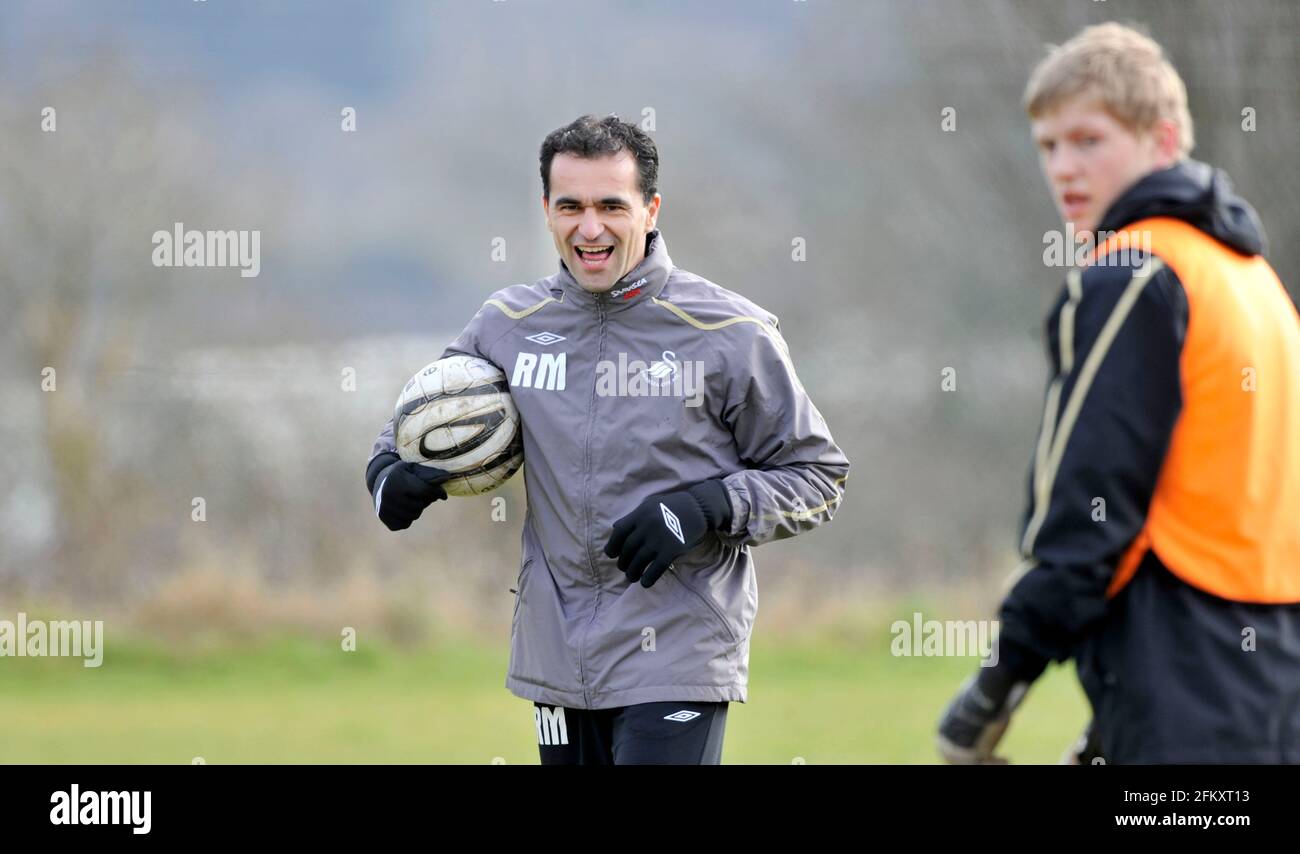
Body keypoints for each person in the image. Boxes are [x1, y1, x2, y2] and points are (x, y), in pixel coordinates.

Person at [366, 114, 850, 765]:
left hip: (677, 651)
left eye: (609, 206)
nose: (588, 228)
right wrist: (388, 477)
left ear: (650, 210)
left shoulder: (731, 332)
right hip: (556, 654)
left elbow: (818, 478)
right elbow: (412, 424)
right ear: (546, 210)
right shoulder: (507, 324)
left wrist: (703, 507)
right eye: (570, 206)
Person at [938, 23, 1300, 764]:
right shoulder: (1252, 279)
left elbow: (1089, 503)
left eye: (1088, 140)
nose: (1064, 167)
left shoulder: (1133, 273)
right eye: (1047, 146)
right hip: (1270, 660)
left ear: (1163, 140)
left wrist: (1001, 679)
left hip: (1183, 648)